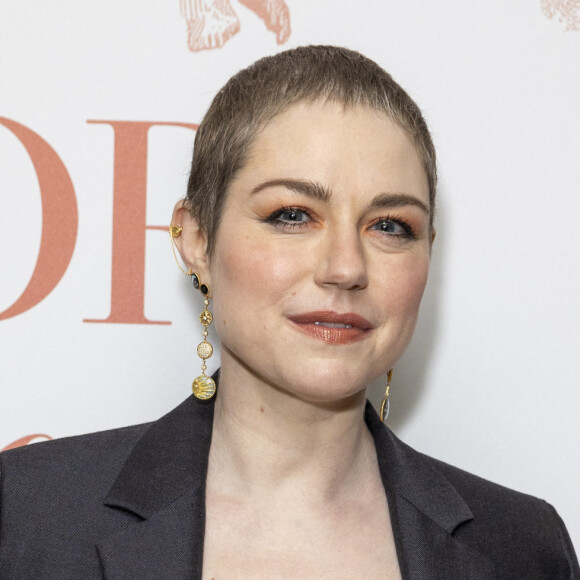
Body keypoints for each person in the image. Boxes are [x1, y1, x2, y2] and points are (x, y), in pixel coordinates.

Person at [0, 45, 578, 580]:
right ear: (197, 238)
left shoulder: (525, 549)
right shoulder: (25, 516)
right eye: (293, 215)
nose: (346, 266)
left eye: (390, 226)